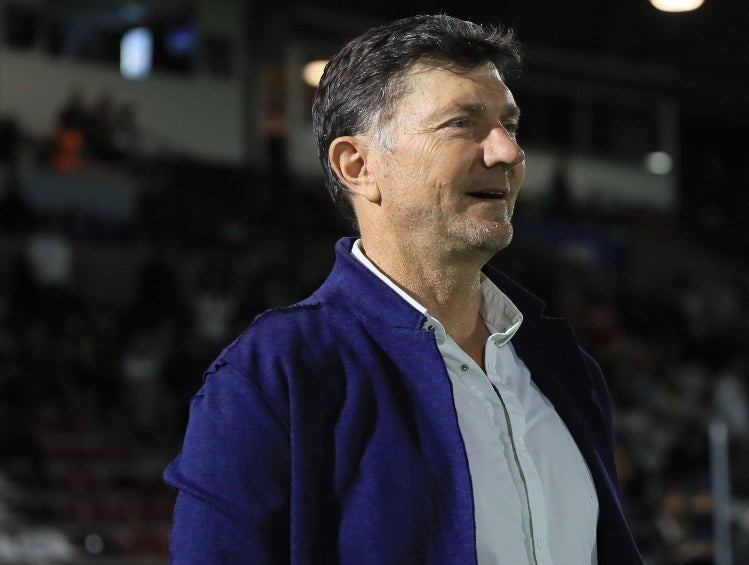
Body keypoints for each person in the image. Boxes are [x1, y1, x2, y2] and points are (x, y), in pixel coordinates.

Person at [163, 14, 642, 564]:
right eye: (462, 123)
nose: (507, 152)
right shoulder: (278, 370)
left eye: (509, 125)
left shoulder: (566, 367)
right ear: (359, 165)